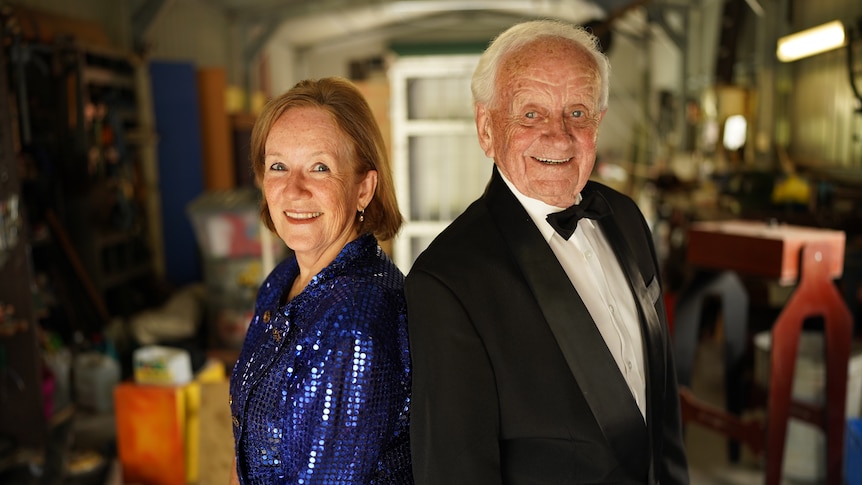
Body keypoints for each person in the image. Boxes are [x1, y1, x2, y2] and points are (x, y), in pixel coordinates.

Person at [405, 20, 689, 485]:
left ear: (598, 122)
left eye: (577, 113)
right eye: (530, 115)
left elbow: (663, 412)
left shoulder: (626, 217)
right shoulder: (447, 281)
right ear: (486, 128)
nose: (558, 136)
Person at [229, 77, 413, 485]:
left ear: (363, 188)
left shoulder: (358, 320)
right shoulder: (282, 281)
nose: (294, 189)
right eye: (278, 166)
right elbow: (243, 441)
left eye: (320, 167)